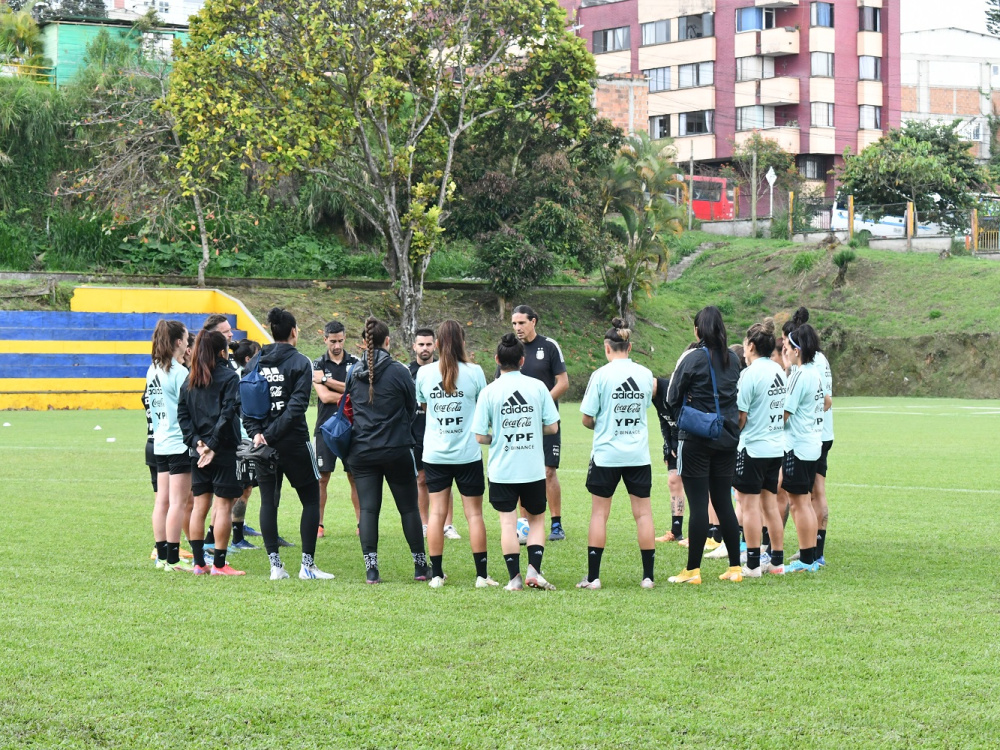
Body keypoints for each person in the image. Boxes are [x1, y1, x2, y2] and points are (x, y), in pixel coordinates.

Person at [243, 308, 333, 581]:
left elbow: (246, 405)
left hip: (262, 444)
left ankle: (275, 567)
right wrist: (269, 435)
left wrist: (258, 434)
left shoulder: (255, 362)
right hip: (293, 442)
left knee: (268, 501)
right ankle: (307, 566)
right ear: (294, 332)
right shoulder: (300, 362)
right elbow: (296, 408)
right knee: (311, 499)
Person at [473, 333, 561, 591]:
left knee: (508, 523)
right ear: (522, 360)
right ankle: (534, 570)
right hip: (532, 468)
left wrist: (498, 435)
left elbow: (480, 436)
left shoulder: (489, 391)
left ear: (497, 359)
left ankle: (515, 579)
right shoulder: (537, 387)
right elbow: (552, 427)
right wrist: (531, 430)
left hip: (502, 470)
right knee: (536, 520)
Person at [347, 317, 429, 584]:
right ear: (387, 341)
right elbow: (411, 407)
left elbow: (349, 407)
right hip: (396, 449)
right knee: (409, 509)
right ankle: (419, 566)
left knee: (369, 510)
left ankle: (371, 569)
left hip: (362, 450)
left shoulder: (352, 371)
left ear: (363, 342)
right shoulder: (399, 371)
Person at [665, 306, 744, 584]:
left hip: (697, 438)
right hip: (726, 437)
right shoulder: (733, 359)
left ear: (698, 330)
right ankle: (735, 568)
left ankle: (693, 570)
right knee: (723, 501)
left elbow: (672, 396)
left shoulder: (692, 358)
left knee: (699, 505)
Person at [577, 319, 657, 590]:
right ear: (630, 346)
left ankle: (593, 577)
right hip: (638, 455)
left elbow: (587, 418)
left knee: (599, 515)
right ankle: (648, 577)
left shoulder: (601, 375)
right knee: (643, 514)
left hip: (606, 455)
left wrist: (603, 425)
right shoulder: (645, 374)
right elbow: (643, 405)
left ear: (607, 348)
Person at [415, 320, 493, 588]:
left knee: (436, 514)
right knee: (474, 515)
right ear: (463, 343)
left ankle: (436, 575)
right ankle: (482, 576)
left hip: (435, 454)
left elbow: (424, 405)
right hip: (468, 454)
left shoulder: (424, 374)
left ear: (436, 344)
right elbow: (483, 407)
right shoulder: (475, 372)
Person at [178, 330, 245, 575]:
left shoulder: (190, 379)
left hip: (199, 454)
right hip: (224, 451)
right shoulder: (229, 378)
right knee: (224, 506)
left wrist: (197, 444)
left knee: (199, 506)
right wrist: (213, 446)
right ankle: (218, 564)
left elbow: (183, 417)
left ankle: (199, 564)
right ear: (221, 351)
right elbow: (228, 415)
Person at [505, 305, 568, 542]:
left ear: (534, 321)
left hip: (546, 420)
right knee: (523, 473)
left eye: (521, 323)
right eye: (514, 323)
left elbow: (563, 383)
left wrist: (540, 403)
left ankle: (556, 524)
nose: (517, 328)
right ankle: (525, 526)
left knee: (548, 471)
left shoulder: (549, 346)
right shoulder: (511, 348)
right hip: (519, 423)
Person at [734, 318, 787, 577]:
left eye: (745, 345)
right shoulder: (779, 370)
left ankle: (753, 564)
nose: (744, 351)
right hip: (776, 447)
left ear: (752, 346)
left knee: (749, 505)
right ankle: (777, 561)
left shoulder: (750, 374)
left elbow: (740, 416)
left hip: (753, 448)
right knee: (770, 504)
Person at [781, 324, 828, 573]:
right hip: (812, 445)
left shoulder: (799, 375)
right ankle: (809, 557)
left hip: (797, 447)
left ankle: (806, 560)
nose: (784, 352)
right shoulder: (814, 373)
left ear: (797, 350)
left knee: (798, 503)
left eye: (787, 348)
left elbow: (785, 414)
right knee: (805, 502)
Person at [147, 320, 193, 572]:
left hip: (160, 441)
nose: (188, 343)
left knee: (162, 502)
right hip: (178, 443)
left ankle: (162, 555)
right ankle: (173, 560)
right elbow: (188, 410)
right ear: (178, 342)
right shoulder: (179, 373)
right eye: (186, 339)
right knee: (178, 502)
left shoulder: (152, 369)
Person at [312, 321, 360, 538]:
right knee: (322, 477)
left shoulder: (355, 362)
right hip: (325, 427)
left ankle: (362, 524)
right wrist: (347, 391)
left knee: (355, 476)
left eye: (340, 340)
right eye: (332, 341)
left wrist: (326, 380)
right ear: (325, 340)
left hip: (352, 428)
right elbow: (324, 396)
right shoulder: (317, 364)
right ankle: (319, 524)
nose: (337, 345)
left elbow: (358, 391)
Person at [409, 328, 459, 540]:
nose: (425, 349)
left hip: (443, 432)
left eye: (429, 344)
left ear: (435, 346)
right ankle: (425, 524)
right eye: (421, 345)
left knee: (445, 480)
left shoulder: (444, 369)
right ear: (414, 347)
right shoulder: (407, 371)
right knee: (421, 479)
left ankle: (448, 525)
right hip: (417, 432)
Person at [653, 342, 697, 545]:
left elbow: (684, 417)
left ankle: (703, 532)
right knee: (673, 481)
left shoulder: (673, 386)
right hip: (674, 442)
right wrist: (668, 444)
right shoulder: (654, 397)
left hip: (689, 440)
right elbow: (664, 421)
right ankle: (676, 530)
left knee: (696, 486)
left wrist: (679, 443)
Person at [229, 339, 264, 544]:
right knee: (241, 489)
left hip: (248, 438)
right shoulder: (243, 380)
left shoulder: (247, 377)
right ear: (249, 358)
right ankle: (236, 536)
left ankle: (238, 530)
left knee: (246, 488)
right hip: (243, 440)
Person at [813, 340, 835, 566]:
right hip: (825, 432)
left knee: (813, 493)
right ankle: (813, 550)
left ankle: (815, 552)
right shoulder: (823, 359)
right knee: (815, 492)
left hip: (816, 435)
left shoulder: (811, 364)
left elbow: (824, 401)